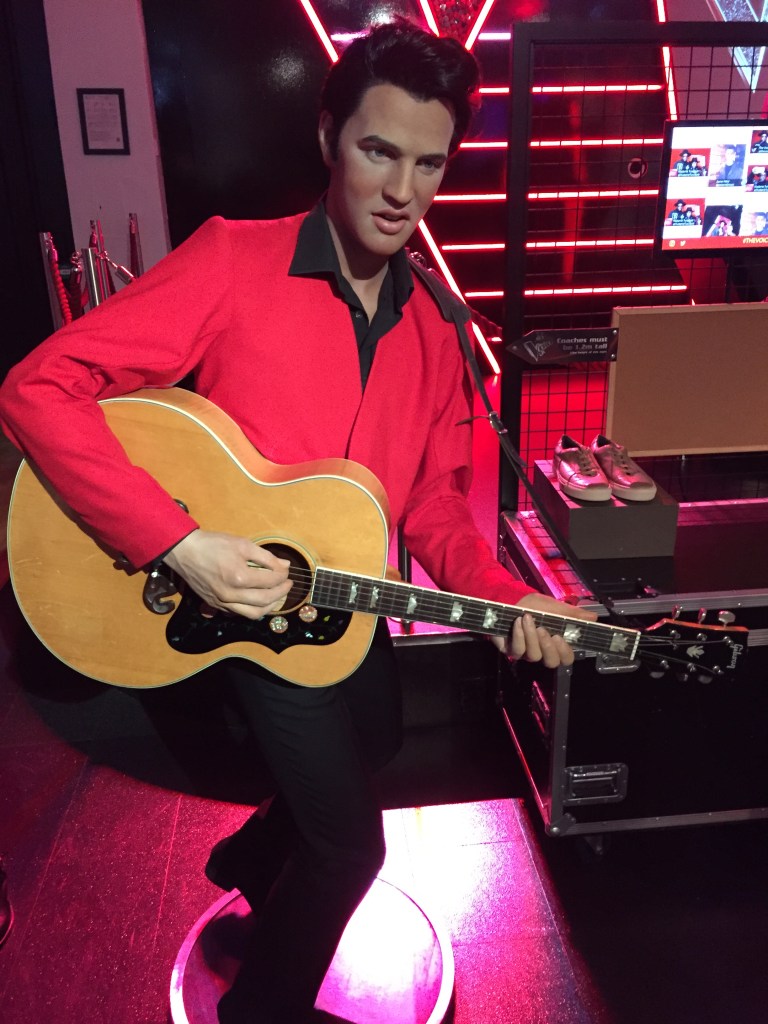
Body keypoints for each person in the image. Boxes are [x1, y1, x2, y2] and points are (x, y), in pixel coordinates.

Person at [0, 19, 595, 1023]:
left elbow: (432, 510)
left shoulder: (437, 334)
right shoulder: (234, 262)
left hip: (333, 607)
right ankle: (261, 1009)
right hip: (224, 608)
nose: (402, 190)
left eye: (428, 163)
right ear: (329, 139)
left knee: (380, 727)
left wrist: (511, 601)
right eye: (377, 152)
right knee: (350, 843)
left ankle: (247, 854)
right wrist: (178, 541)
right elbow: (37, 385)